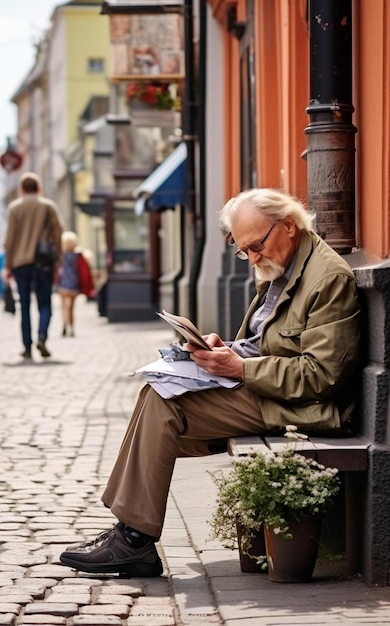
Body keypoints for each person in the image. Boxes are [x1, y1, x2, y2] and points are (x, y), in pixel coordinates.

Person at [59, 187, 361, 578]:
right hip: (266, 388)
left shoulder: (327, 277)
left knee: (165, 405)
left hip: (302, 404)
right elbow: (266, 341)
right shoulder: (281, 264)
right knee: (158, 389)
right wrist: (227, 350)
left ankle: (133, 539)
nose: (252, 258)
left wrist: (239, 368)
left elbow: (323, 375)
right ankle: (130, 532)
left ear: (288, 225)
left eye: (256, 246)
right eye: (244, 250)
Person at [4, 172, 63, 359]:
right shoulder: (48, 206)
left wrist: (8, 264)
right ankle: (42, 335)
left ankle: (27, 347)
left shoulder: (14, 208)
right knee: (45, 303)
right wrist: (58, 259)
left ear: (21, 189)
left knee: (25, 306)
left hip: (20, 263)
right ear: (39, 188)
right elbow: (57, 233)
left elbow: (10, 239)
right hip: (43, 262)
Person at [57, 231, 95, 337]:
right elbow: (85, 271)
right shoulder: (78, 256)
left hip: (63, 284)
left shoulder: (61, 256)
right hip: (74, 284)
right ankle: (71, 327)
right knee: (71, 307)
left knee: (64, 306)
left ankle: (64, 323)